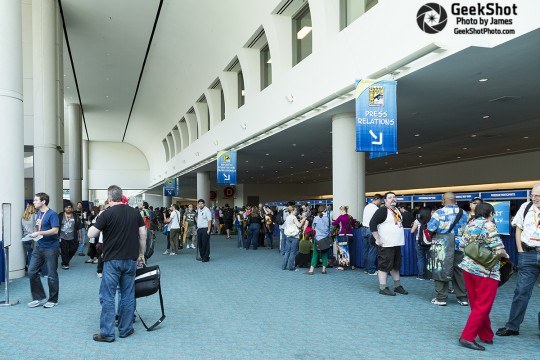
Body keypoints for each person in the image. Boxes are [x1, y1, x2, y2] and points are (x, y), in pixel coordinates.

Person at [88, 185, 146, 342]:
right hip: (131, 259)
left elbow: (91, 234)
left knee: (108, 295)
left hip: (112, 260)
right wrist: (141, 254)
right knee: (127, 294)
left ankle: (107, 333)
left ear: (109, 198)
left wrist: (95, 223)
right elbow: (143, 235)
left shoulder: (107, 213)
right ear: (122, 197)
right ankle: (125, 329)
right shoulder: (135, 212)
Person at [458, 203, 509, 351]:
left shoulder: (470, 224)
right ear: (491, 213)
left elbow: (461, 245)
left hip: (467, 268)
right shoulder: (489, 225)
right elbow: (499, 250)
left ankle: (486, 335)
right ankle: (467, 337)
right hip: (486, 271)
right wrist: (507, 256)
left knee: (477, 304)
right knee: (483, 305)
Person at [496, 183, 540, 337]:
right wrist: (520, 251)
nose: (534, 198)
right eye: (533, 195)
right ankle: (513, 326)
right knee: (521, 291)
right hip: (527, 254)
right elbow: (519, 229)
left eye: (538, 196)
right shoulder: (526, 207)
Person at [427, 192, 469, 306]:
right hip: (459, 245)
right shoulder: (464, 213)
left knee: (441, 269)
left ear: (443, 201)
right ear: (455, 200)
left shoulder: (439, 213)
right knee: (459, 271)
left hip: (442, 244)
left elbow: (430, 227)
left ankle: (441, 298)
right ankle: (463, 298)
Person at [369, 192, 408, 296]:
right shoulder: (382, 210)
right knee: (384, 265)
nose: (393, 199)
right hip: (386, 244)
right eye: (390, 197)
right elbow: (372, 224)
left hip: (396, 243)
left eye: (394, 197)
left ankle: (397, 286)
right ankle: (383, 287)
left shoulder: (396, 210)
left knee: (396, 266)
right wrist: (377, 238)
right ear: (385, 200)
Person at [27, 192, 60, 309]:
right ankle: (39, 297)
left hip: (51, 247)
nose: (34, 202)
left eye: (36, 200)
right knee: (31, 271)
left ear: (43, 201)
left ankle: (53, 299)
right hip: (39, 246)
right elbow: (40, 229)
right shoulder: (38, 214)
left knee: (51, 274)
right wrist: (34, 235)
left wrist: (39, 232)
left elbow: (55, 230)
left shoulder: (52, 214)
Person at [305, 206, 330, 275]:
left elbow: (313, 228)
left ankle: (311, 270)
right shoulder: (327, 218)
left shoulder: (316, 218)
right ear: (324, 210)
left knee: (315, 254)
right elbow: (329, 227)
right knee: (325, 254)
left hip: (317, 238)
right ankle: (324, 269)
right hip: (325, 238)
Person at [58, 201, 83, 270]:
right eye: (67, 207)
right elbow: (56, 226)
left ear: (72, 208)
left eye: (70, 207)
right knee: (64, 251)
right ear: (64, 208)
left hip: (73, 237)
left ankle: (66, 260)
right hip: (62, 237)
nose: (68, 209)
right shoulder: (60, 215)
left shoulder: (75, 216)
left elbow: (79, 227)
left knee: (73, 249)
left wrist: (80, 237)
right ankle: (65, 264)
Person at [362, 194, 382, 275]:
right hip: (371, 230)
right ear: (377, 199)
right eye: (380, 200)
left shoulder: (366, 207)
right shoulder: (376, 209)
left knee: (366, 250)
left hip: (364, 229)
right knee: (372, 250)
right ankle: (371, 270)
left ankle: (366, 269)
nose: (380, 202)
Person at [410, 206, 432, 280]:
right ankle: (430, 276)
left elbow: (412, 231)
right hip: (430, 241)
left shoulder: (417, 220)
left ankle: (421, 276)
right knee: (430, 259)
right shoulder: (432, 220)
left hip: (419, 241)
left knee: (420, 258)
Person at [332, 205, 356, 270]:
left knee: (342, 251)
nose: (339, 212)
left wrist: (331, 221)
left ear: (342, 210)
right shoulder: (350, 217)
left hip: (343, 235)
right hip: (350, 235)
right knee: (351, 251)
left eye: (340, 211)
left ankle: (342, 266)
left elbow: (334, 223)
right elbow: (353, 225)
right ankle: (352, 265)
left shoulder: (341, 217)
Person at [282, 206, 306, 271]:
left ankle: (283, 266)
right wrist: (303, 220)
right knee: (292, 252)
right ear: (292, 211)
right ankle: (291, 267)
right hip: (294, 237)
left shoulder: (287, 217)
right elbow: (299, 225)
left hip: (288, 236)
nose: (296, 212)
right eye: (295, 211)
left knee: (287, 252)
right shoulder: (293, 217)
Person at [21, 203, 37, 270]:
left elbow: (23, 228)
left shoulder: (23, 217)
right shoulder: (35, 216)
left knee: (29, 253)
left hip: (26, 237)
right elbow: (36, 227)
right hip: (33, 237)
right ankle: (32, 269)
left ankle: (28, 266)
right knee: (34, 254)